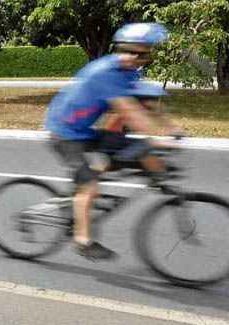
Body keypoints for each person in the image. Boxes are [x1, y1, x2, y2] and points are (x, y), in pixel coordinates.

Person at [45, 22, 184, 261]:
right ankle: (82, 240)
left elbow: (146, 104)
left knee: (130, 148)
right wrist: (160, 139)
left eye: (143, 54)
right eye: (132, 52)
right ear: (120, 49)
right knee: (90, 186)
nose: (137, 59)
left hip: (84, 129)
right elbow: (131, 113)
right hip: (65, 132)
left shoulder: (128, 72)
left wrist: (172, 127)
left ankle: (154, 177)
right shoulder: (105, 73)